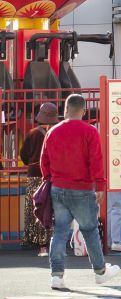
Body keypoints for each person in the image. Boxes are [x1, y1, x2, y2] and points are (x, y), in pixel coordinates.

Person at [41, 94, 121, 290]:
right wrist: (100, 185)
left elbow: (44, 161)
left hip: (58, 188)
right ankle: (100, 272)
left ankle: (57, 276)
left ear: (65, 109)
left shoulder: (52, 131)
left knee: (60, 231)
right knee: (89, 230)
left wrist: (49, 180)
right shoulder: (90, 131)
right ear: (84, 111)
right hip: (83, 189)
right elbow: (96, 160)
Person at [20, 102, 58, 256]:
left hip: (34, 174)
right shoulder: (56, 132)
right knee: (50, 208)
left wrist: (30, 162)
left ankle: (35, 241)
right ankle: (49, 241)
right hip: (51, 175)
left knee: (35, 207)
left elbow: (23, 155)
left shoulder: (32, 133)